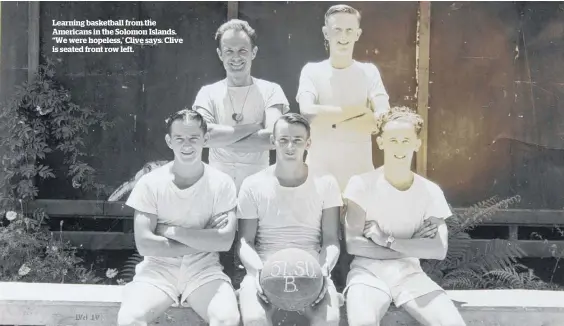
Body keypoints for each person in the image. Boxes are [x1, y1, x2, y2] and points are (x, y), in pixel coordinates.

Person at [343, 106, 466, 326]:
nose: (399, 147)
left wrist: (387, 240)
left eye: (406, 140)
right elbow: (353, 245)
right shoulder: (360, 184)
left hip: (410, 274)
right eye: (392, 140)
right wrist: (410, 246)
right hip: (367, 273)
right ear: (380, 142)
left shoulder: (430, 191)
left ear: (417, 144)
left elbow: (438, 249)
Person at [117, 109, 240, 326]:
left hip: (204, 270)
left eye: (194, 138)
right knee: (130, 319)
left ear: (206, 139)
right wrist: (204, 239)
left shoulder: (222, 183)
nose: (187, 145)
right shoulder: (150, 183)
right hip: (157, 270)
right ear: (169, 141)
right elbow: (145, 245)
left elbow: (224, 241)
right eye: (179, 138)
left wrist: (170, 231)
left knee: (227, 319)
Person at [236, 113, 342, 326]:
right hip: (264, 268)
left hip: (312, 270)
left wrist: (323, 271)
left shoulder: (326, 183)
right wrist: (257, 273)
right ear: (273, 142)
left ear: (308, 143)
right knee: (254, 319)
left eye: (297, 140)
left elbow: (331, 240)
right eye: (283, 140)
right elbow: (245, 241)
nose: (290, 146)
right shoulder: (253, 184)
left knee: (328, 321)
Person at [296, 4, 391, 191]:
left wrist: (329, 121)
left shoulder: (369, 72)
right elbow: (307, 113)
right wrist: (361, 113)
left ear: (358, 34)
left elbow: (382, 118)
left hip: (360, 176)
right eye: (337, 30)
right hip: (319, 175)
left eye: (349, 30)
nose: (343, 37)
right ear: (326, 33)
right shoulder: (312, 71)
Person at [193, 19, 290, 191]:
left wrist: (216, 138)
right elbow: (202, 135)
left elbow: (272, 138)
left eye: (242, 50)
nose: (236, 57)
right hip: (217, 187)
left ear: (253, 52)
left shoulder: (272, 90)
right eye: (229, 51)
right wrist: (254, 127)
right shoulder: (207, 92)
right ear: (220, 54)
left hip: (259, 187)